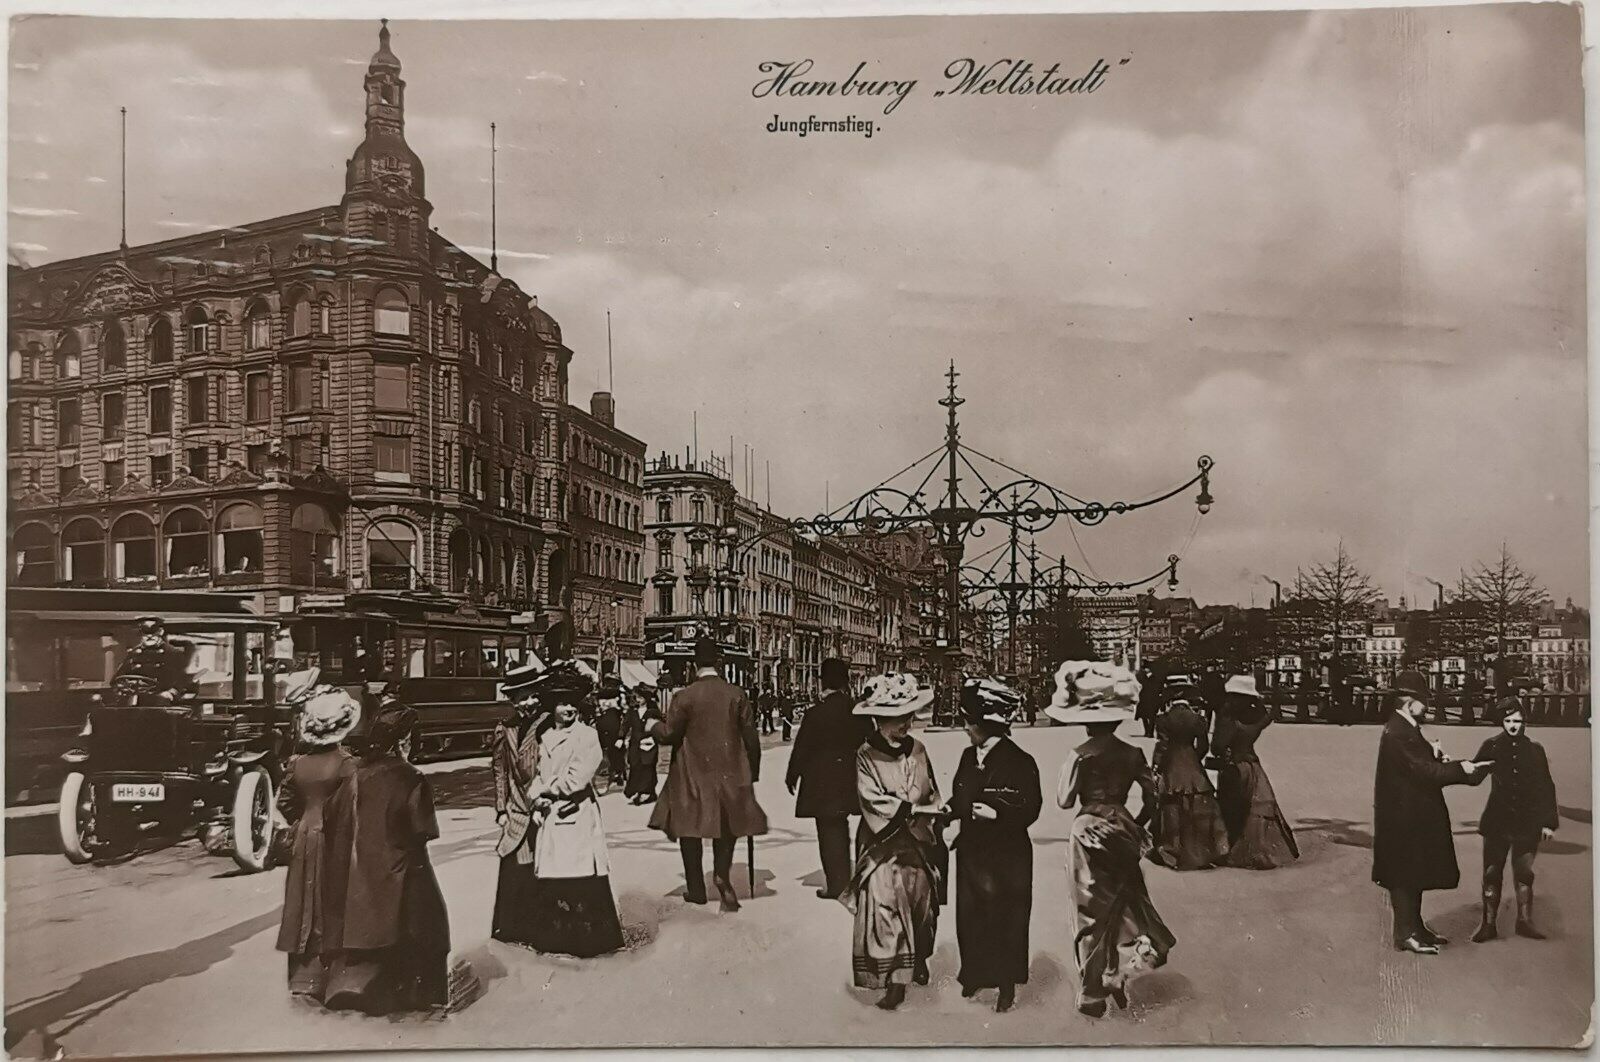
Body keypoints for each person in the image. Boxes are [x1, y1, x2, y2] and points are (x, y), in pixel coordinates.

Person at [1046, 660, 1175, 1018]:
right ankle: (1117, 973)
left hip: (1087, 828)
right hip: (1122, 826)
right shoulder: (1132, 753)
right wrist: (1134, 823)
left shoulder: (1079, 755)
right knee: (1123, 902)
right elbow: (1154, 797)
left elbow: (1064, 800)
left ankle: (1092, 992)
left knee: (1089, 910)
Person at [319, 701, 451, 1015]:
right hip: (400, 869)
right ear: (404, 741)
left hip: (357, 874)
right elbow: (423, 831)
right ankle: (421, 993)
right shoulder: (411, 778)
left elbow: (331, 817)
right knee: (430, 916)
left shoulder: (353, 773)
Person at [840, 672, 944, 1011]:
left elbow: (930, 788)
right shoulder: (865, 755)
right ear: (879, 719)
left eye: (909, 716)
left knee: (922, 906)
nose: (906, 723)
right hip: (882, 843)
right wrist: (907, 809)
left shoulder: (920, 749)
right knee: (885, 906)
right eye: (898, 717)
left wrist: (932, 811)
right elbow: (870, 799)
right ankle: (895, 980)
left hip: (918, 841)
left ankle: (920, 956)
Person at [1372, 669, 1489, 955]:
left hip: (1410, 813)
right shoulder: (1399, 732)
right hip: (1404, 817)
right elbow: (1422, 771)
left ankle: (1415, 927)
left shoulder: (1404, 727)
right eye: (1423, 701)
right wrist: (1461, 769)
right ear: (1408, 701)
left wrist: (1437, 756)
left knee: (1413, 871)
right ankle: (1405, 933)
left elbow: (1418, 765)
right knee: (1404, 875)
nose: (1427, 707)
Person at [649, 638, 768, 911]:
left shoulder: (684, 696)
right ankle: (722, 876)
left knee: (689, 828)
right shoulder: (737, 694)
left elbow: (669, 735)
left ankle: (696, 888)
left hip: (692, 773)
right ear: (719, 662)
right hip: (730, 774)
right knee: (726, 828)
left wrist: (652, 724)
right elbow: (751, 738)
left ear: (693, 664)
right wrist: (753, 772)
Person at [948, 677, 1041, 1013]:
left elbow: (1032, 806)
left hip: (1007, 853)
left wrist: (998, 812)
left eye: (969, 723)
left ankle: (1005, 984)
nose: (965, 729)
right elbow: (960, 795)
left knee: (1005, 916)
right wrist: (948, 810)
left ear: (985, 725)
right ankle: (974, 973)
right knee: (971, 914)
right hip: (973, 851)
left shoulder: (1021, 760)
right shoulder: (967, 755)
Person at [524, 665, 626, 957]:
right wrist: (536, 796)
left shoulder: (586, 735)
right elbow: (534, 773)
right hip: (550, 815)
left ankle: (589, 943)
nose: (568, 708)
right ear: (552, 706)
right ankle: (556, 940)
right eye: (562, 703)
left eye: (572, 703)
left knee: (580, 878)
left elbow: (577, 777)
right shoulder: (542, 737)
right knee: (555, 880)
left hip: (575, 812)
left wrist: (546, 791)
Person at [275, 678, 359, 1001]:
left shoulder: (297, 765)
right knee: (333, 902)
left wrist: (303, 820)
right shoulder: (347, 765)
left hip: (303, 836)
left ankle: (302, 977)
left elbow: (284, 804)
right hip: (336, 838)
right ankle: (331, 978)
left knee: (302, 903)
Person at [1469, 697, 1559, 942]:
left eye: (1517, 721)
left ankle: (1524, 922)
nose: (1513, 726)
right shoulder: (1492, 746)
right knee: (1491, 873)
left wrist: (1549, 822)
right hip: (1497, 822)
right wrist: (1451, 764)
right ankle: (1488, 925)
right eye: (1508, 721)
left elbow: (1546, 787)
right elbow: (1474, 775)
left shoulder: (1535, 750)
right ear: (1502, 722)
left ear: (1524, 722)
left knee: (1524, 874)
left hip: (1527, 823)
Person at [786, 658, 869, 899]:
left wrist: (793, 774)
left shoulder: (815, 714)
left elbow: (803, 747)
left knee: (829, 829)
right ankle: (856, 876)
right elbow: (870, 741)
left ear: (824, 682)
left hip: (822, 782)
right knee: (847, 825)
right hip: (851, 777)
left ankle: (837, 883)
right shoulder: (857, 712)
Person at [1212, 674, 1299, 869]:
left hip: (1233, 767)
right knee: (1255, 809)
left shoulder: (1227, 718)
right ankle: (1259, 850)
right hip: (1253, 768)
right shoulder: (1257, 718)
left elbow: (1217, 747)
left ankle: (1229, 849)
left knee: (1230, 809)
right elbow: (1269, 714)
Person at [490, 659, 548, 948]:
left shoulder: (547, 724)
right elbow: (499, 769)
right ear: (512, 700)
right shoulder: (505, 728)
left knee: (541, 870)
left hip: (543, 808)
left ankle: (542, 933)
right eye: (522, 697)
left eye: (533, 695)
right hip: (515, 808)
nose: (529, 702)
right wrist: (501, 807)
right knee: (515, 870)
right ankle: (513, 930)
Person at [1148, 683, 1229, 870]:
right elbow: (1203, 746)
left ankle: (1172, 851)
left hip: (1172, 764)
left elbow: (1163, 745)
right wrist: (1193, 759)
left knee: (1172, 806)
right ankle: (1204, 851)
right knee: (1199, 805)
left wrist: (1157, 766)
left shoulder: (1163, 719)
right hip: (1192, 763)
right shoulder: (1198, 720)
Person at [112, 617, 196, 703]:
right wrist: (120, 688)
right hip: (137, 700)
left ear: (160, 632)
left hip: (164, 701)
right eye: (145, 632)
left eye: (153, 631)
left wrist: (171, 692)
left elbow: (183, 678)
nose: (149, 636)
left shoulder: (173, 654)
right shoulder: (134, 654)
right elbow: (118, 678)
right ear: (141, 634)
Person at [623, 687, 663, 805]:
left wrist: (653, 737)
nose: (638, 700)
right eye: (637, 697)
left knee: (648, 767)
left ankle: (646, 792)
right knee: (635, 766)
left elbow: (658, 725)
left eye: (641, 697)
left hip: (649, 743)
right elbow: (625, 725)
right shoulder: (632, 711)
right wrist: (621, 737)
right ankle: (638, 791)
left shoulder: (653, 711)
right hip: (635, 744)